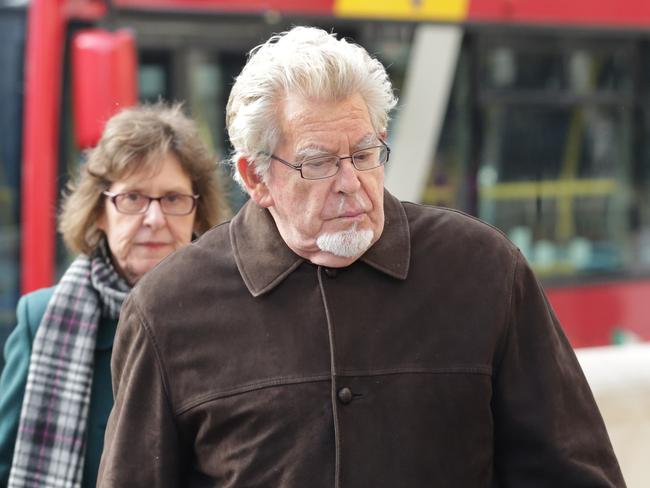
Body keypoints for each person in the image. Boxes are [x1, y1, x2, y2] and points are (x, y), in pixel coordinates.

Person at [98, 27, 625, 487]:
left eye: (366, 154)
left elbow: (574, 473)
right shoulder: (167, 310)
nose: (353, 184)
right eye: (320, 163)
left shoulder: (485, 270)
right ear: (257, 177)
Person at [0, 102, 230, 488]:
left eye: (173, 199)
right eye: (133, 198)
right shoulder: (40, 320)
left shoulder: (234, 319)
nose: (154, 219)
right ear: (99, 212)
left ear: (198, 213)